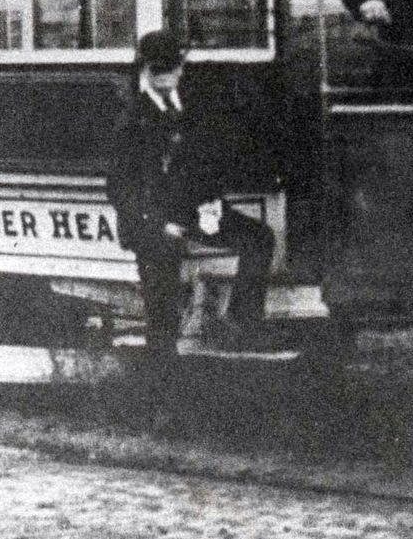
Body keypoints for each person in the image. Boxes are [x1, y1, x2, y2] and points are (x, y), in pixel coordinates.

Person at [107, 30, 284, 361]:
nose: (172, 76)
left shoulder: (186, 104)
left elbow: (205, 160)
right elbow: (119, 188)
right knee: (163, 314)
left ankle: (242, 322)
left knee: (259, 238)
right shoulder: (132, 119)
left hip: (193, 212)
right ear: (145, 70)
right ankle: (162, 378)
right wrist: (161, 224)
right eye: (162, 70)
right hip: (151, 224)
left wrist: (212, 202)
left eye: (175, 68)